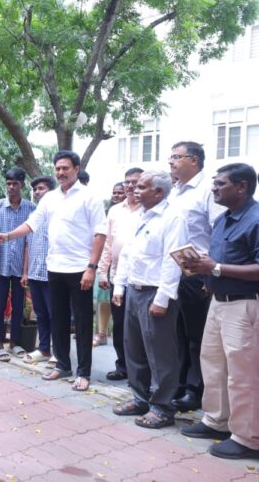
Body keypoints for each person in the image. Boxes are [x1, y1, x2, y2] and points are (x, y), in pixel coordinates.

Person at [0, 151, 106, 392]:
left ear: (76, 169)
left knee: (84, 321)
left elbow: (100, 234)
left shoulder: (89, 197)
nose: (61, 173)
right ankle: (63, 364)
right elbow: (32, 224)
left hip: (80, 269)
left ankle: (84, 372)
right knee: (59, 319)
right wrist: (7, 236)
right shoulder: (50, 199)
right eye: (58, 169)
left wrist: (91, 268)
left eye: (65, 168)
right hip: (54, 267)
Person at [180, 163, 259, 460]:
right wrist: (207, 273)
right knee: (212, 363)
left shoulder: (256, 219)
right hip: (218, 300)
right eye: (213, 183)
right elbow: (219, 259)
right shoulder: (224, 219)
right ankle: (217, 421)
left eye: (220, 184)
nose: (213, 188)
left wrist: (215, 268)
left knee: (243, 374)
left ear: (241, 187)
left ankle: (249, 437)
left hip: (245, 304)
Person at [110, 171, 187, 429]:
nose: (135, 190)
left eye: (142, 187)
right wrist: (119, 287)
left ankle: (162, 407)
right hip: (133, 289)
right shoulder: (139, 216)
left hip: (155, 293)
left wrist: (163, 298)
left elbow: (172, 260)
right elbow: (128, 255)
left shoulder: (173, 218)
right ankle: (140, 398)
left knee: (160, 353)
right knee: (134, 349)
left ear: (159, 192)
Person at [167, 141, 225, 412]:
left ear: (193, 160)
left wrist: (210, 276)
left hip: (197, 274)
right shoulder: (174, 192)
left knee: (196, 336)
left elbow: (220, 232)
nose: (171, 161)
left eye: (176, 157)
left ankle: (195, 390)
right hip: (172, 272)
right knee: (176, 333)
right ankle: (178, 384)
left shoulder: (207, 191)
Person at [97, 168, 143, 380]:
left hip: (143, 280)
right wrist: (102, 272)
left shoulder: (150, 209)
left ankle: (142, 372)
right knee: (120, 326)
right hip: (117, 279)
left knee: (141, 329)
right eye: (127, 182)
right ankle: (122, 365)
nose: (130, 186)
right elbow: (108, 244)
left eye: (135, 182)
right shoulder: (115, 210)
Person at [0, 167, 36, 361]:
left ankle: (14, 343)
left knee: (18, 306)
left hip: (20, 268)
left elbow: (29, 242)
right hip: (1, 265)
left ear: (22, 185)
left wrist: (26, 271)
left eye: (15, 183)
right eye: (8, 183)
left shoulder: (30, 208)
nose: (11, 187)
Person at [22, 176, 56, 366]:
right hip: (35, 273)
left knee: (55, 315)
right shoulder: (33, 216)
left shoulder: (57, 214)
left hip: (52, 274)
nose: (37, 192)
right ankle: (44, 348)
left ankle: (58, 352)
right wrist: (26, 272)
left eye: (40, 189)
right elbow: (28, 245)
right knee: (41, 314)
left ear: (50, 191)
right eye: (35, 189)